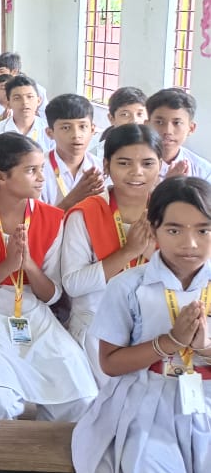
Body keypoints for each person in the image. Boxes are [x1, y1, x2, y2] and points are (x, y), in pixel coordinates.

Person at [71, 177, 211, 473]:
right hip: (145, 402)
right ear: (153, 229)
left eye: (204, 230)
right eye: (175, 229)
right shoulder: (128, 285)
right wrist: (168, 342)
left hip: (204, 400)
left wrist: (204, 347)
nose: (190, 243)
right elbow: (110, 363)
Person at [0, 132, 98, 421]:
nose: (42, 178)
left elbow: (53, 294)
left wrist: (29, 265)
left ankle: (45, 449)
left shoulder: (53, 218)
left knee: (82, 398)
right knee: (0, 402)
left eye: (42, 168)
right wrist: (7, 266)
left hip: (33, 312)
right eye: (31, 170)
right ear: (0, 177)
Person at [62, 124, 161, 379]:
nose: (137, 172)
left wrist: (152, 256)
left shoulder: (171, 214)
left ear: (160, 166)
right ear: (106, 166)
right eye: (124, 163)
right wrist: (128, 252)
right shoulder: (86, 213)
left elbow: (190, 275)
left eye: (148, 163)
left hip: (158, 319)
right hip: (97, 321)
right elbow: (73, 284)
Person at [39, 93, 103, 209]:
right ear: (50, 133)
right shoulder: (38, 170)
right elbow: (34, 219)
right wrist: (72, 200)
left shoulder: (101, 168)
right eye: (66, 128)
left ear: (92, 130)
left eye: (82, 126)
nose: (76, 135)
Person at [147, 88, 211, 181]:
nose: (167, 131)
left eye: (177, 123)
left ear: (191, 128)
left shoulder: (203, 171)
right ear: (147, 124)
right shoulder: (130, 162)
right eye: (159, 122)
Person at [0, 75, 52, 152]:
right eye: (17, 98)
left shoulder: (50, 130)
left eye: (29, 97)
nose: (25, 102)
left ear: (39, 101)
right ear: (8, 103)